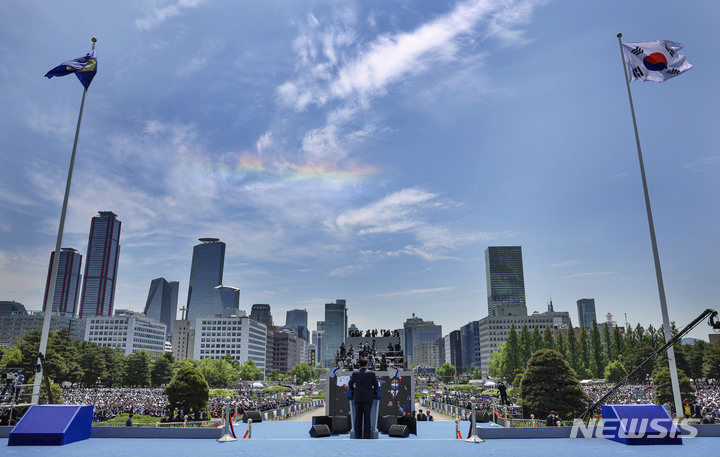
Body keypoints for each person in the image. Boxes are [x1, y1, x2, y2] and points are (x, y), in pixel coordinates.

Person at [348, 358, 378, 439]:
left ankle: (358, 436)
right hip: (368, 398)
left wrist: (354, 391)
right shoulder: (372, 373)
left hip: (358, 398)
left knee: (358, 418)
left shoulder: (355, 373)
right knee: (367, 418)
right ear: (367, 365)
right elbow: (376, 385)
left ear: (359, 365)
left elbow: (350, 383)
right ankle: (367, 436)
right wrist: (373, 391)